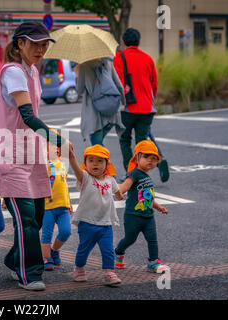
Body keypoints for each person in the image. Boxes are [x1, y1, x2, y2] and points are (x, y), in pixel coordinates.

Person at [0, 21, 70, 291]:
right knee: (26, 217)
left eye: (44, 45)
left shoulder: (31, 71)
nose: (41, 49)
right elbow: (28, 115)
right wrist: (56, 138)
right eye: (35, 44)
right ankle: (29, 272)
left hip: (31, 150)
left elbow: (32, 118)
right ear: (20, 44)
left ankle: (13, 258)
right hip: (9, 152)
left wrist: (48, 141)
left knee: (38, 215)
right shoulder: (14, 73)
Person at [68, 144, 124, 286]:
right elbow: (76, 169)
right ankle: (79, 268)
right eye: (91, 160)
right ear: (85, 163)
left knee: (108, 249)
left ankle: (109, 273)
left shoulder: (110, 180)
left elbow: (117, 191)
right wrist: (71, 156)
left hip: (105, 224)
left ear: (106, 164)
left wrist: (119, 195)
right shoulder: (85, 178)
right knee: (84, 249)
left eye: (100, 161)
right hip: (87, 223)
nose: (95, 164)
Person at [114, 140, 169, 273]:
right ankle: (118, 252)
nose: (150, 161)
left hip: (148, 216)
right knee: (130, 239)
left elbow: (148, 198)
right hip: (133, 215)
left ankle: (153, 262)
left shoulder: (147, 177)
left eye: (154, 159)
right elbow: (125, 185)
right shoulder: (134, 173)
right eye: (146, 157)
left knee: (152, 239)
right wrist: (119, 191)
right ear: (137, 158)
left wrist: (158, 207)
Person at [113, 28, 158, 172]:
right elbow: (154, 84)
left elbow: (117, 83)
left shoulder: (119, 57)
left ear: (123, 42)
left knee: (125, 140)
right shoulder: (148, 58)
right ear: (139, 41)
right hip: (146, 108)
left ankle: (130, 172)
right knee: (142, 142)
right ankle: (142, 173)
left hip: (127, 108)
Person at [76, 57, 125, 147]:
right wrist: (123, 103)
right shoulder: (108, 62)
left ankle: (104, 160)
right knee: (98, 144)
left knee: (97, 147)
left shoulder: (84, 66)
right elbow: (119, 85)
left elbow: (79, 90)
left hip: (94, 113)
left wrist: (78, 75)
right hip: (111, 111)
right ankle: (104, 160)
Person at [41, 142, 72, 271]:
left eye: (58, 148)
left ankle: (54, 250)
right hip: (48, 206)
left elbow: (64, 185)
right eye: (53, 148)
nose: (57, 150)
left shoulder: (62, 164)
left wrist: (69, 202)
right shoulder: (42, 165)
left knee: (66, 231)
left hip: (63, 206)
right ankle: (46, 258)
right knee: (46, 234)